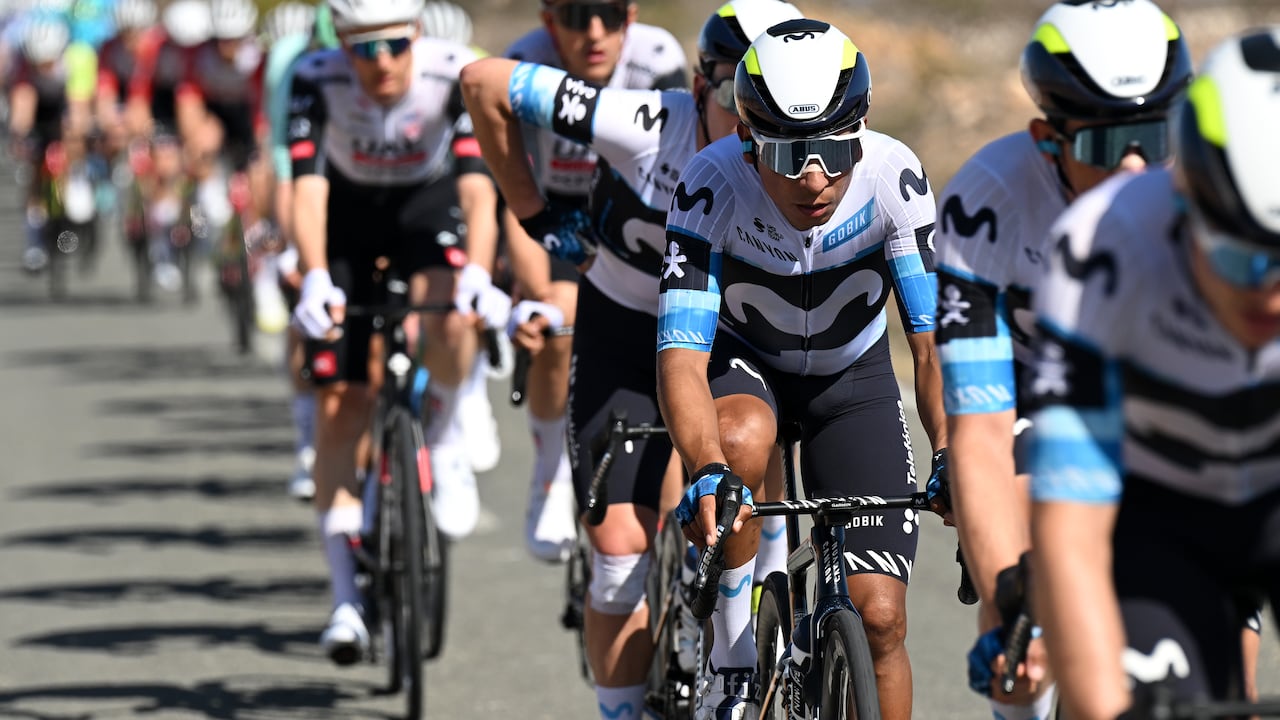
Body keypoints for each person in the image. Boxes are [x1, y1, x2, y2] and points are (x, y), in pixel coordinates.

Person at [461, 1, 802, 717]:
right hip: (624, 326)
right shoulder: (645, 122)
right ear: (701, 88)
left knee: (747, 449)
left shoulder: (800, 155)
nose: (758, 130)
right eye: (740, 100)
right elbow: (483, 82)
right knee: (619, 557)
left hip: (724, 340)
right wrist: (537, 216)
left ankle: (756, 610)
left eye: (777, 109)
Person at [658, 19, 947, 720]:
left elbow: (933, 346)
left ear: (862, 132)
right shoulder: (711, 183)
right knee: (739, 443)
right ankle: (731, 659)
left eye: (833, 150)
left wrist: (950, 451)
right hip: (746, 367)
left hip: (852, 383)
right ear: (747, 137)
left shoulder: (892, 178)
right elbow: (681, 358)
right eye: (788, 154)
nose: (813, 178)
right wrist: (706, 467)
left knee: (881, 620)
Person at [930, 1, 1192, 716]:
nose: (1135, 166)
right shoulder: (986, 202)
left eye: (1155, 136)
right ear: (1048, 140)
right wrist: (1010, 596)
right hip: (1030, 398)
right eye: (1106, 145)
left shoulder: (1214, 188)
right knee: (1025, 623)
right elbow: (981, 434)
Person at [1025, 26, 1280, 719]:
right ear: (1185, 205)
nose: (1269, 296)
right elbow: (1069, 528)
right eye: (1240, 258)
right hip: (1162, 509)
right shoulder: (1099, 249)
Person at [286, 0, 500, 664]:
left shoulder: (452, 71)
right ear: (341, 45)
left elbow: (477, 189)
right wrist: (315, 276)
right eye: (362, 49)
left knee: (451, 312)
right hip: (347, 215)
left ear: (417, 35)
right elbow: (307, 190)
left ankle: (446, 432)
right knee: (340, 403)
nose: (380, 63)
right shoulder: (314, 76)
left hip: (424, 206)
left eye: (393, 46)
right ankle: (346, 601)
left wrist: (479, 273)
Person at [503, 0, 688, 562]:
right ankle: (550, 471)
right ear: (547, 20)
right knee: (556, 316)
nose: (594, 32)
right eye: (576, 16)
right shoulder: (525, 62)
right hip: (560, 220)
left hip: (637, 219)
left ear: (631, 15)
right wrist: (537, 287)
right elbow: (511, 195)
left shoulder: (658, 57)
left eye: (609, 14)